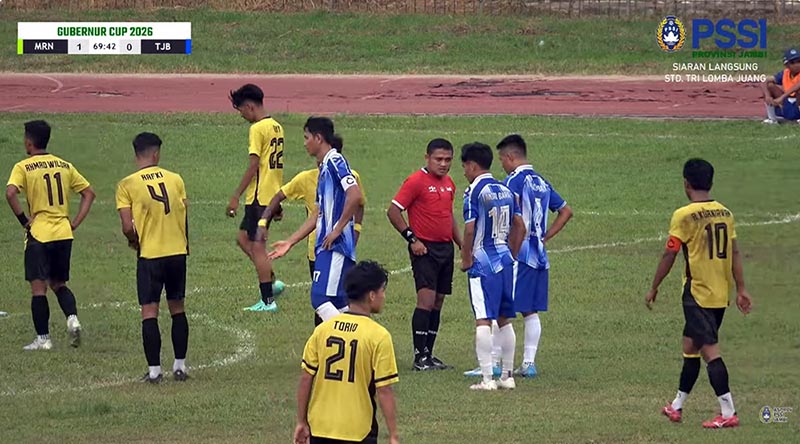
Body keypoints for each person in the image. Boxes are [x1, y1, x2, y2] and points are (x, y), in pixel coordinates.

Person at [646, 158, 753, 428]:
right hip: (720, 294)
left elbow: (669, 254)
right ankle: (676, 405)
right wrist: (741, 288)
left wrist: (654, 286)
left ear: (686, 184)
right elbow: (735, 252)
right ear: (711, 182)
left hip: (697, 296)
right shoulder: (725, 213)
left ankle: (728, 412)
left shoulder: (684, 216)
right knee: (690, 346)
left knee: (709, 351)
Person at [6, 120, 95, 350]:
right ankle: (72, 318)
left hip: (40, 234)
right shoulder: (64, 165)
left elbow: (10, 193)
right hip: (63, 233)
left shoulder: (23, 166)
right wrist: (75, 222)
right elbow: (89, 193)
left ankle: (43, 339)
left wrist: (24, 221)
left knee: (39, 289)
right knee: (59, 283)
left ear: (29, 142)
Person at [294, 260, 399, 444]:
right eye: (382, 290)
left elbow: (306, 378)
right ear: (372, 295)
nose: (384, 296)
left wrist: (302, 421)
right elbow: (384, 390)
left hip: (320, 429)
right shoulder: (378, 336)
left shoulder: (322, 330)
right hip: (357, 431)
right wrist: (393, 435)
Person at [270, 117, 363, 323]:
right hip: (325, 246)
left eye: (307, 137)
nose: (304, 143)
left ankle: (353, 334)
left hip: (336, 246)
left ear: (318, 138)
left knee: (320, 298)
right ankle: (356, 337)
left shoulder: (335, 161)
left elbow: (355, 194)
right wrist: (290, 242)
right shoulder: (324, 170)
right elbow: (316, 214)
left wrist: (337, 229)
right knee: (339, 303)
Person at [116, 132, 191, 383]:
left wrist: (133, 241)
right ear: (156, 154)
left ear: (136, 154)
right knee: (177, 308)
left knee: (149, 311)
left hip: (150, 254)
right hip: (177, 252)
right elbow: (184, 212)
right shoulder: (176, 179)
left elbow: (127, 226)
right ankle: (180, 366)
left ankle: (155, 371)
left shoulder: (127, 184)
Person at [496, 134, 572, 377]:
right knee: (530, 310)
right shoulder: (541, 182)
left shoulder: (513, 181)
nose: (502, 165)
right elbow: (566, 211)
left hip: (519, 253)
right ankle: (529, 363)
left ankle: (496, 362)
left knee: (500, 306)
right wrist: (545, 237)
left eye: (502, 159)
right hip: (539, 254)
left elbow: (513, 217)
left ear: (510, 157)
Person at [387, 138, 462, 371]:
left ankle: (429, 353)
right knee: (426, 300)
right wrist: (412, 239)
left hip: (445, 249)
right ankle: (419, 356)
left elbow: (449, 216)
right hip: (425, 249)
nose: (443, 164)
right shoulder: (416, 181)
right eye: (438, 159)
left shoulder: (449, 183)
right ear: (427, 158)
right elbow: (393, 211)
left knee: (438, 301)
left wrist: (462, 244)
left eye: (448, 160)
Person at [258, 135, 367, 285]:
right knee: (323, 296)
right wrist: (264, 221)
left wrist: (356, 230)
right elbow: (279, 197)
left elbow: (359, 202)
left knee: (339, 295)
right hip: (317, 251)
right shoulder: (306, 179)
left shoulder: (350, 177)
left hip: (342, 248)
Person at [459, 142, 524, 391]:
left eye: (464, 167)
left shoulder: (473, 192)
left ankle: (487, 379)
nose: (464, 172)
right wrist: (512, 253)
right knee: (504, 318)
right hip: (505, 260)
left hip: (483, 262)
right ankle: (507, 376)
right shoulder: (506, 189)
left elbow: (469, 229)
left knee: (483, 319)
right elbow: (520, 226)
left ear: (472, 165)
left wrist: (466, 259)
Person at [227, 84, 284, 312]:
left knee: (257, 246)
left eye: (241, 110)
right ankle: (271, 281)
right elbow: (276, 167)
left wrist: (235, 196)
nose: (241, 115)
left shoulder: (257, 128)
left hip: (260, 197)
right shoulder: (277, 126)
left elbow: (254, 166)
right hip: (270, 195)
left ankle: (267, 300)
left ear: (250, 106)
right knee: (243, 239)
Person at [761, 48, 800, 124]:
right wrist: (767, 96)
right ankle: (772, 119)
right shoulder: (785, 73)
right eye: (792, 62)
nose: (797, 65)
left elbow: (797, 86)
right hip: (787, 101)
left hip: (797, 101)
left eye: (799, 61)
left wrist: (781, 98)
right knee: (770, 86)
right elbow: (764, 81)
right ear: (786, 65)